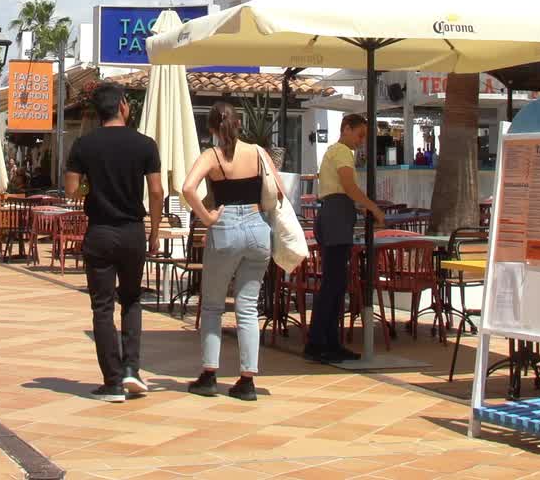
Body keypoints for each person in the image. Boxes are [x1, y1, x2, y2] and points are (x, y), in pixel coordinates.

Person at [64, 83, 163, 402]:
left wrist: (91, 189)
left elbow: (71, 191)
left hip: (101, 232)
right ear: (122, 105)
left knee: (103, 306)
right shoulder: (145, 144)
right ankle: (133, 369)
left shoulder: (83, 145)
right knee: (132, 300)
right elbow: (158, 191)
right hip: (133, 230)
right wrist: (155, 231)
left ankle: (113, 381)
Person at [180, 101, 284, 401]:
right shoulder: (258, 152)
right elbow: (278, 189)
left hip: (225, 227)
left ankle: (210, 374)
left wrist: (207, 216)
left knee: (212, 305)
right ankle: (247, 380)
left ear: (212, 128)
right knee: (247, 306)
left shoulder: (211, 156)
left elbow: (188, 188)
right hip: (257, 227)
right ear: (239, 124)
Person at [304, 113, 385, 364]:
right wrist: (373, 207)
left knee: (335, 284)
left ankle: (328, 341)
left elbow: (343, 190)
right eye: (359, 134)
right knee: (333, 284)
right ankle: (319, 342)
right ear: (346, 129)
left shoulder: (333, 151)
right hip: (336, 217)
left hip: (334, 214)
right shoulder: (341, 152)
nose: (361, 141)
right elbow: (348, 187)